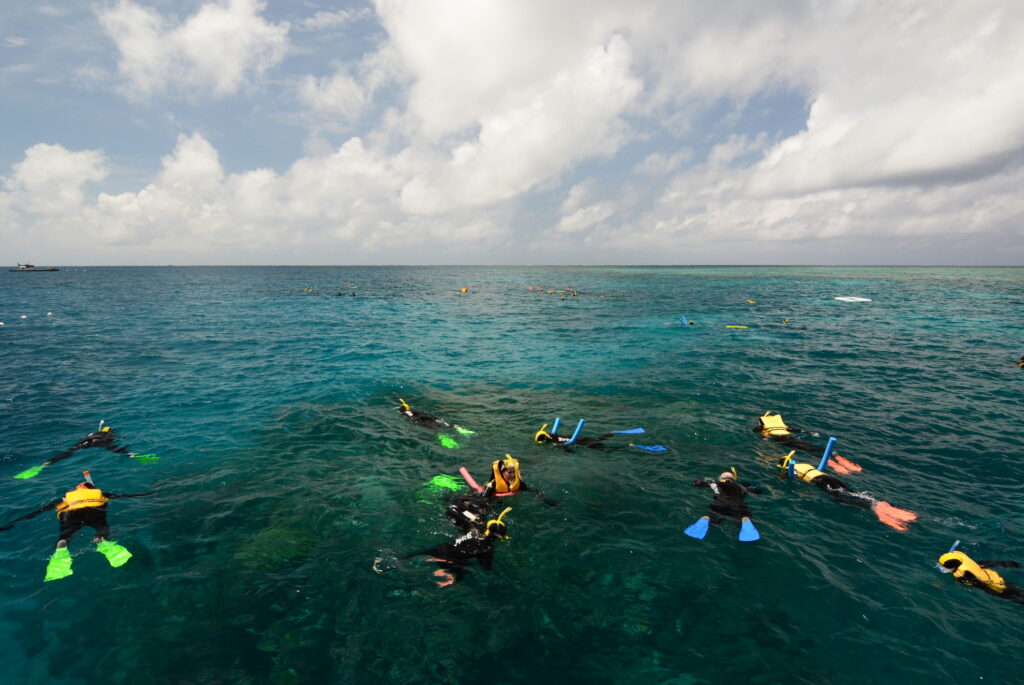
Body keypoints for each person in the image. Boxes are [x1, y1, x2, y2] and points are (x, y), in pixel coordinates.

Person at [0, 472, 153, 581]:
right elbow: (126, 496)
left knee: (65, 535)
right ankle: (101, 540)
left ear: (77, 490)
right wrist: (147, 494)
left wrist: (13, 523)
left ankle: (62, 545)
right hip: (94, 511)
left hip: (71, 514)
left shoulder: (63, 499)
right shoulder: (101, 494)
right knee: (101, 528)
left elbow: (37, 512)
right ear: (91, 490)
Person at [776, 452, 917, 530]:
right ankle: (879, 504)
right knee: (853, 493)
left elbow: (787, 476)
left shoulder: (791, 468)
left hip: (822, 482)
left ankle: (873, 508)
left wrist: (780, 476)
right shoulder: (803, 464)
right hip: (831, 478)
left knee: (841, 498)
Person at [401, 506, 512, 587]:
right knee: (461, 573)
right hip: (451, 559)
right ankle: (451, 577)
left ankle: (399, 561)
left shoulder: (474, 529)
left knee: (414, 556)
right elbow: (486, 568)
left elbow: (452, 510)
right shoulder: (488, 549)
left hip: (442, 548)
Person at [13, 423, 148, 480]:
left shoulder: (93, 432)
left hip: (87, 441)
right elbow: (119, 438)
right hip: (101, 441)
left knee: (68, 453)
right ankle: (132, 455)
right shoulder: (110, 434)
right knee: (118, 450)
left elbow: (89, 436)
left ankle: (44, 464)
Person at [754, 412, 860, 473]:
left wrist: (765, 439)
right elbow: (797, 430)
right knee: (813, 447)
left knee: (808, 451)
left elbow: (762, 435)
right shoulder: (782, 427)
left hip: (786, 441)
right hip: (791, 438)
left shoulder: (764, 430)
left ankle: (831, 463)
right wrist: (809, 433)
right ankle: (837, 457)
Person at [685, 468, 761, 541]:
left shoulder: (715, 484)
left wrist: (703, 479)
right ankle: (745, 519)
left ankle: (707, 518)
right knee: (743, 515)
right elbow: (758, 491)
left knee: (713, 517)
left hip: (719, 505)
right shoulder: (742, 486)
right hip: (737, 506)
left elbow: (697, 483)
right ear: (733, 479)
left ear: (721, 478)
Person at [938, 550, 1024, 604]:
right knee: (1016, 589)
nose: (942, 568)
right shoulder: (964, 561)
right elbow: (987, 563)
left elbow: (982, 586)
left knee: (1010, 596)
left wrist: (995, 594)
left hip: (994, 585)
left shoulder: (964, 576)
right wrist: (1008, 564)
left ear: (953, 567)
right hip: (993, 575)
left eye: (944, 567)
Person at [479, 455, 559, 505]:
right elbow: (483, 500)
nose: (513, 475)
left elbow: (531, 491)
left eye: (514, 472)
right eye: (509, 472)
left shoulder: (517, 482)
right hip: (495, 499)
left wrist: (545, 499)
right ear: (502, 473)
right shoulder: (492, 485)